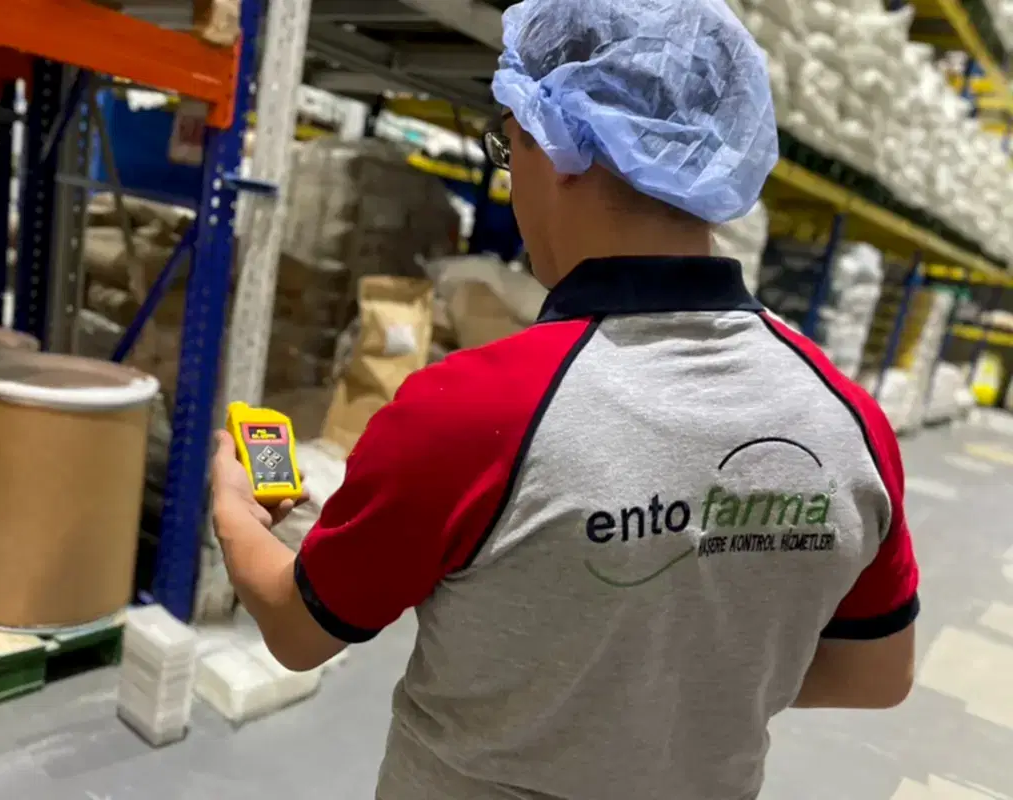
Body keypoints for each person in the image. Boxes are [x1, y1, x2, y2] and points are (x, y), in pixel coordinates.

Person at [209, 0, 919, 797]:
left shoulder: (470, 411)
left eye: (508, 147)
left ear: (559, 147)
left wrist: (235, 510)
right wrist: (685, 684)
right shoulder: (848, 423)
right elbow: (878, 673)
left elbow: (298, 630)